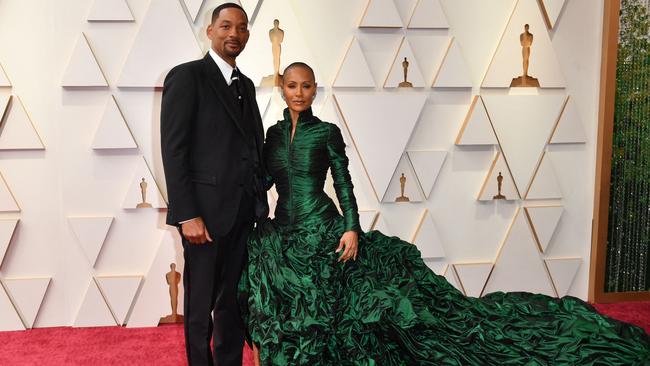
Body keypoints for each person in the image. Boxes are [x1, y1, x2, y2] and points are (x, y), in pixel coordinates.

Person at [238, 62, 650, 365]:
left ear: (314, 90)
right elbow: (269, 182)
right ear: (282, 89)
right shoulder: (272, 135)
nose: (297, 92)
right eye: (291, 85)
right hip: (285, 231)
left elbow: (343, 183)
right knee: (264, 282)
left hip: (325, 228)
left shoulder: (325, 132)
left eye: (305, 86)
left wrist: (352, 229)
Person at [161, 4, 267, 366]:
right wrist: (186, 213)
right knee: (200, 305)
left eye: (240, 28)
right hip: (202, 217)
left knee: (232, 304)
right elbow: (174, 151)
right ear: (210, 31)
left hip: (241, 214)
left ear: (248, 36)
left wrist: (259, 201)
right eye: (225, 26)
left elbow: (252, 146)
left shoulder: (247, 86)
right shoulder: (187, 77)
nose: (233, 34)